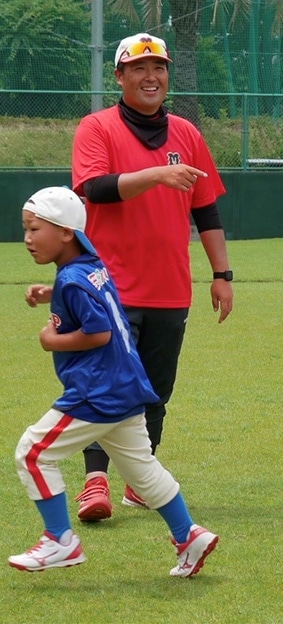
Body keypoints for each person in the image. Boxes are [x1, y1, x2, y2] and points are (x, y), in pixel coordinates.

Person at [12, 187, 218, 577]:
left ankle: (60, 540)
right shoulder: (91, 266)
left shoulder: (73, 279)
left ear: (66, 233)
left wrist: (51, 340)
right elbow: (95, 296)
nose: (27, 238)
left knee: (32, 453)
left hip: (98, 392)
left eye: (34, 228)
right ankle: (188, 535)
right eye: (25, 229)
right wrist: (51, 293)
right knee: (142, 470)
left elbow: (99, 332)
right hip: (127, 387)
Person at [70, 33, 234, 521]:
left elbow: (206, 211)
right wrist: (158, 175)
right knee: (106, 385)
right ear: (119, 77)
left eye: (158, 68)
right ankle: (94, 481)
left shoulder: (187, 134)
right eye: (138, 68)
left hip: (168, 288)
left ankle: (143, 481)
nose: (150, 76)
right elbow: (94, 188)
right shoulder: (95, 128)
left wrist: (222, 273)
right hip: (108, 286)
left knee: (154, 389)